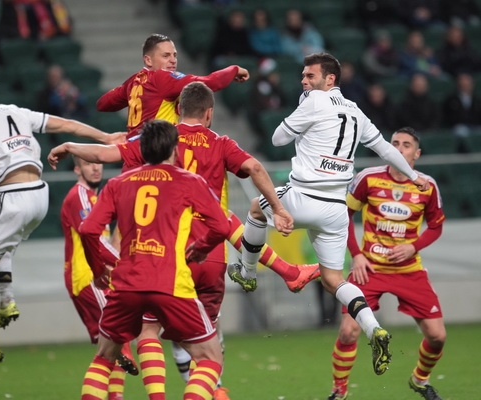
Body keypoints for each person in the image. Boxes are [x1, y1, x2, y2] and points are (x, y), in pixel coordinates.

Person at [48, 82, 319, 400]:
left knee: (123, 346)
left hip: (138, 273)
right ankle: (284, 275)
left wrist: (71, 147)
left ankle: (158, 396)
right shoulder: (197, 170)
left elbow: (94, 208)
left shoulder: (121, 180)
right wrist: (274, 209)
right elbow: (237, 197)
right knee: (208, 348)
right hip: (192, 262)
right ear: (208, 114)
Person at [227, 53, 431, 378]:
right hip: (336, 209)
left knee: (255, 207)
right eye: (303, 77)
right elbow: (385, 149)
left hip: (303, 197)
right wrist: (412, 174)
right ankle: (373, 328)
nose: (305, 82)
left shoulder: (313, 103)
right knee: (334, 279)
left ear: (330, 79)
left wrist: (303, 111)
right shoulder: (355, 111)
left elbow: (277, 138)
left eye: (310, 76)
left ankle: (247, 271)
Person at [0, 81, 124, 379]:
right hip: (40, 195)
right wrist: (106, 137)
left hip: (13, 196)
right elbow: (67, 124)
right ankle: (8, 299)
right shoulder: (16, 111)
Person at [78, 119, 231, 400]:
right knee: (210, 358)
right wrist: (201, 248)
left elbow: (88, 229)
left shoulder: (118, 183)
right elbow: (222, 227)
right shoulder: (189, 181)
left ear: (142, 150)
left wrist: (98, 270)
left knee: (103, 358)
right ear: (175, 149)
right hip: (170, 284)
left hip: (126, 286)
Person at [327, 127, 446, 400]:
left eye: (406, 145)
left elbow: (436, 227)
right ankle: (339, 391)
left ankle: (419, 380)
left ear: (416, 154)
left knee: (437, 336)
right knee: (348, 331)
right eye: (394, 143)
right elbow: (342, 216)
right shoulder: (368, 178)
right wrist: (356, 254)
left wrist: (413, 247)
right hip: (369, 268)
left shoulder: (427, 185)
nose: (399, 148)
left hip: (409, 271)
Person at [60, 156, 137, 399]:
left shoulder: (95, 198)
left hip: (94, 276)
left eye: (98, 163)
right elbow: (95, 240)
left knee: (108, 349)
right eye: (88, 164)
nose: (95, 167)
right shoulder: (79, 196)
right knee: (118, 339)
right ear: (77, 169)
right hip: (87, 277)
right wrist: (125, 265)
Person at [96, 33, 250, 138]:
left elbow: (103, 104)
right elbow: (210, 83)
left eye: (174, 55)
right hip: (156, 156)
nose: (173, 60)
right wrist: (234, 69)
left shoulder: (133, 81)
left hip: (132, 158)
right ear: (148, 60)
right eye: (166, 55)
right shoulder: (164, 79)